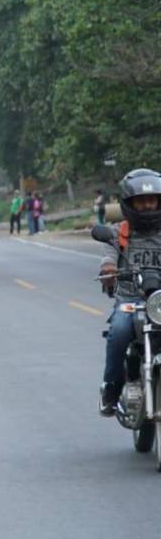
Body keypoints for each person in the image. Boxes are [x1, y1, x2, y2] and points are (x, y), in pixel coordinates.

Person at [97, 169, 161, 416]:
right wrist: (109, 269)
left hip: (159, 302)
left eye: (151, 200)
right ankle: (111, 387)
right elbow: (108, 258)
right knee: (120, 330)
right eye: (141, 201)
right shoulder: (118, 233)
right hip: (130, 300)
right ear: (129, 204)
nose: (146, 206)